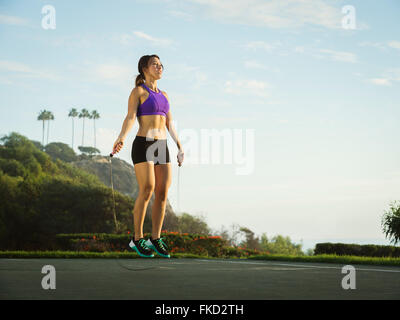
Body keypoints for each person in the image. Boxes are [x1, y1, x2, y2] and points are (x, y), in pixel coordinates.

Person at [112, 54, 184, 258]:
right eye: (155, 64)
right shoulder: (139, 92)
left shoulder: (165, 95)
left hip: (162, 145)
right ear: (144, 68)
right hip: (144, 143)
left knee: (162, 192)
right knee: (148, 188)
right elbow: (130, 117)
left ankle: (155, 238)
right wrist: (121, 137)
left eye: (161, 65)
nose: (160, 67)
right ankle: (136, 239)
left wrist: (179, 146)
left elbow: (170, 124)